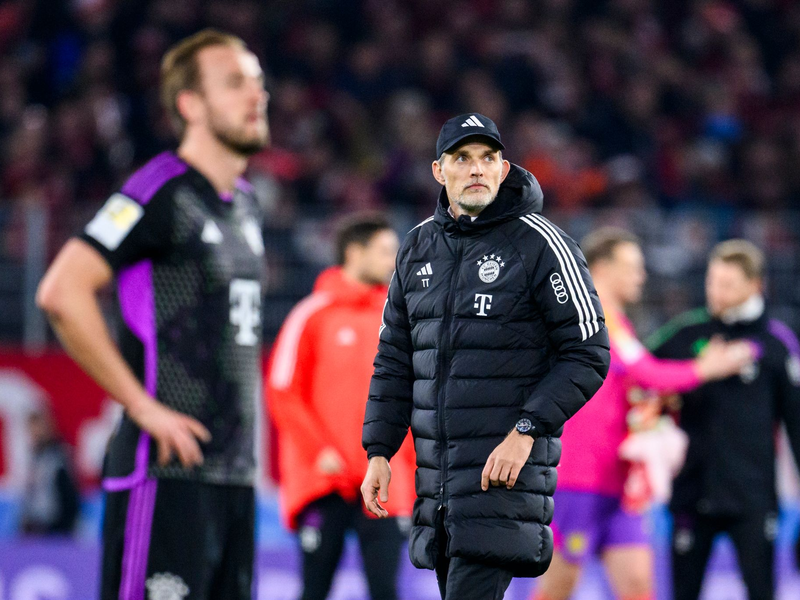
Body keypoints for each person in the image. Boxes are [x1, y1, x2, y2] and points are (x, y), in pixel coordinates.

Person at [36, 29, 269, 600]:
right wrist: (142, 407)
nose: (257, 95)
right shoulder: (158, 190)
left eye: (259, 82)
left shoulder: (245, 203)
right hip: (165, 476)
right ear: (190, 104)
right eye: (235, 83)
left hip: (234, 479)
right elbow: (62, 291)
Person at [359, 112, 611, 600]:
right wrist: (379, 451)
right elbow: (394, 359)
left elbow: (588, 352)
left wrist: (526, 430)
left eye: (487, 158)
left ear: (503, 168)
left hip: (503, 479)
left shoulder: (542, 243)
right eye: (462, 158)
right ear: (439, 171)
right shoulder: (417, 248)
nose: (476, 169)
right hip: (439, 489)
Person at [531, 228, 754, 600]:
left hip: (619, 481)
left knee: (637, 585)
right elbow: (645, 371)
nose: (642, 275)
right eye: (632, 267)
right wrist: (704, 369)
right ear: (600, 268)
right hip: (578, 477)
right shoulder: (584, 318)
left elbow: (636, 381)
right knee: (557, 588)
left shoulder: (620, 323)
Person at [268, 213, 416, 600]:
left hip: (386, 479)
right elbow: (283, 392)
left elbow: (417, 397)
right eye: (385, 251)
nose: (393, 260)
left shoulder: (400, 320)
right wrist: (319, 452)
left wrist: (416, 469)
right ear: (354, 252)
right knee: (314, 590)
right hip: (325, 479)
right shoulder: (311, 314)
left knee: (387, 590)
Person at [648, 239, 800, 600]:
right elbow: (639, 376)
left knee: (762, 591)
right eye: (713, 281)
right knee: (682, 592)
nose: (716, 292)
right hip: (692, 492)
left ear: (756, 285)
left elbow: (797, 425)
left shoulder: (778, 343)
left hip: (754, 497)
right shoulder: (685, 334)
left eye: (728, 284)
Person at [21, 409, 80, 535]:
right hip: (36, 523)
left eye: (37, 428)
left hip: (55, 525)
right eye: (31, 429)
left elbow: (68, 492)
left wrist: (66, 524)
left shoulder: (58, 455)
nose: (34, 433)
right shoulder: (35, 456)